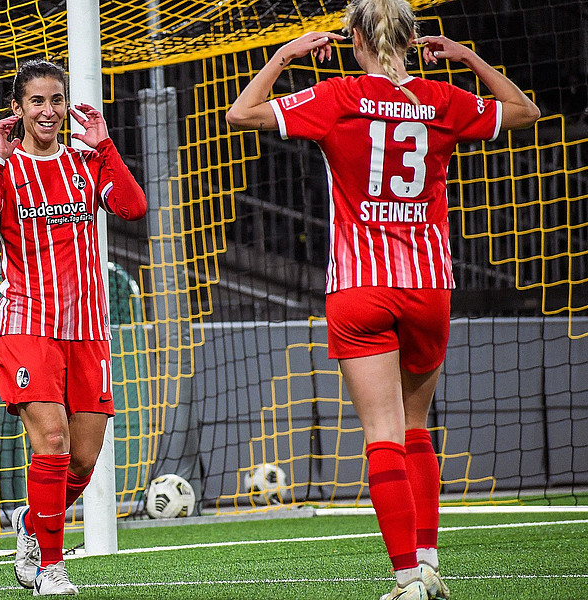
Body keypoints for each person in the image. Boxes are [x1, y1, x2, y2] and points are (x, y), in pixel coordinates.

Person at [225, 0, 539, 599]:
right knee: (417, 428)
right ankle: (428, 565)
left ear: (356, 39)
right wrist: (467, 58)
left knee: (382, 435)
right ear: (412, 37)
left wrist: (285, 57)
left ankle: (406, 579)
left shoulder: (337, 97)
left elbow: (243, 114)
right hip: (428, 288)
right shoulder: (440, 100)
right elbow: (526, 111)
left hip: (361, 288)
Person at [0, 58, 147, 596]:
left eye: (55, 100)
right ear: (16, 111)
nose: (49, 110)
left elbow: (133, 208)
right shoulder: (0, 166)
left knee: (83, 461)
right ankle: (49, 565)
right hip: (28, 323)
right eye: (37, 101)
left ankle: (30, 523)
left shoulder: (87, 163)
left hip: (88, 328)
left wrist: (106, 145)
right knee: (52, 439)